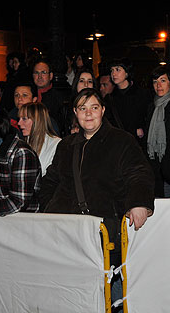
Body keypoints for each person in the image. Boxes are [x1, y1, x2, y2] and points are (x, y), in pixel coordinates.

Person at [39, 88, 154, 232]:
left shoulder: (122, 141)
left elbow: (139, 174)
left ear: (103, 110)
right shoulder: (66, 145)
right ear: (75, 112)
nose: (88, 114)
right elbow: (50, 181)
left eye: (94, 107)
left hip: (103, 227)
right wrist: (50, 208)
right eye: (83, 108)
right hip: (64, 227)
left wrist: (139, 203)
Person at [145, 66, 170, 197]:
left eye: (162, 80)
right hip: (154, 166)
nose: (158, 85)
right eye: (155, 81)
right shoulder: (151, 106)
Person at [106, 58, 150, 140]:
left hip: (139, 142)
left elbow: (148, 118)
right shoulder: (110, 98)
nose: (113, 74)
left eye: (117, 70)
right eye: (112, 70)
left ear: (127, 73)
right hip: (118, 141)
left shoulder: (143, 94)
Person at [18, 102, 61, 177]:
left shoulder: (57, 144)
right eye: (19, 119)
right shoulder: (22, 143)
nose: (19, 123)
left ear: (37, 120)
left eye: (24, 119)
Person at [31, 59, 68, 133]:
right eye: (36, 73)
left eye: (43, 73)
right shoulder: (29, 94)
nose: (39, 76)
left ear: (50, 76)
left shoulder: (58, 97)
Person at [61, 68, 98, 135]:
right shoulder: (66, 107)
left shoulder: (99, 106)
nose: (86, 84)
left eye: (89, 81)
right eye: (81, 81)